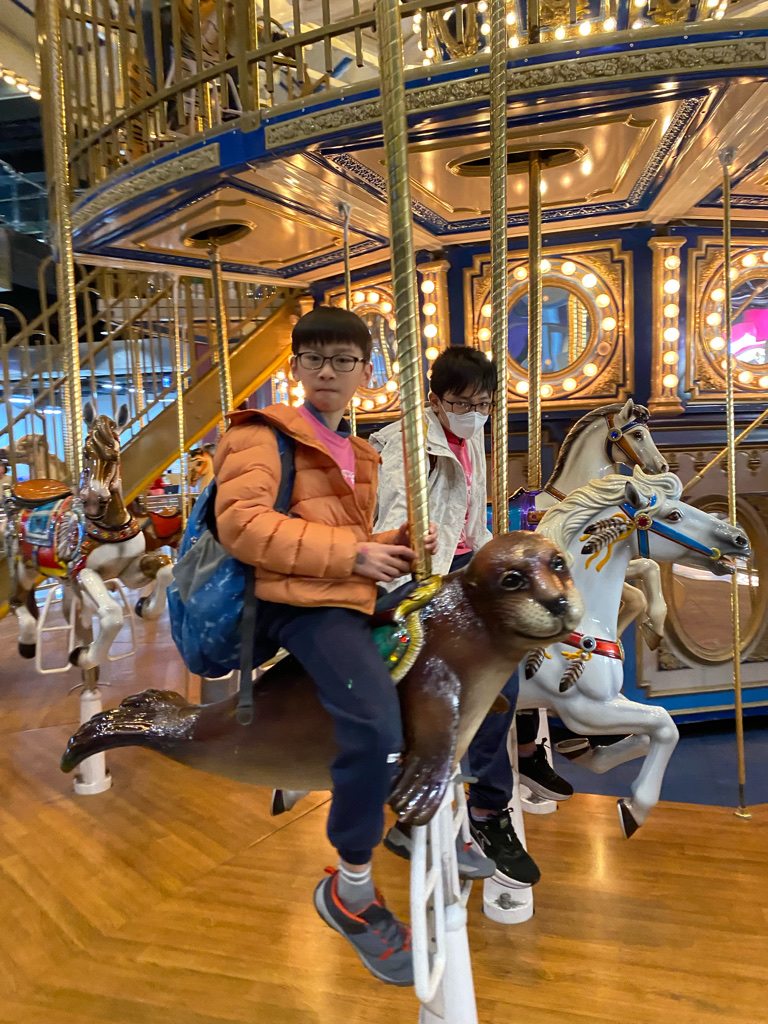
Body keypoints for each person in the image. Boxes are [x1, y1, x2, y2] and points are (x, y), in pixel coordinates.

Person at [214, 305, 437, 988]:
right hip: (293, 603)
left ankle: (468, 812)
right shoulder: (260, 434)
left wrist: (394, 545)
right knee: (376, 727)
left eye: (344, 361)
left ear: (366, 371)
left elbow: (343, 532)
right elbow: (243, 525)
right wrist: (355, 556)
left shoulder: (358, 450)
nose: (328, 372)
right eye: (314, 359)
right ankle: (351, 887)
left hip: (341, 591)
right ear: (296, 367)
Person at [371, 345, 572, 889]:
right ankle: (482, 806)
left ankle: (525, 750)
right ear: (434, 399)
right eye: (462, 403)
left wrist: (495, 560)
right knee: (490, 681)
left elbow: (474, 517)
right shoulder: (405, 443)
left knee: (535, 630)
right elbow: (396, 521)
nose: (475, 413)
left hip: (463, 567)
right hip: (422, 574)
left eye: (483, 403)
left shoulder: (473, 436)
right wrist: (434, 568)